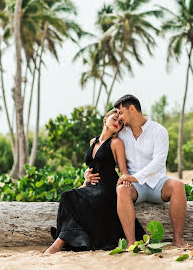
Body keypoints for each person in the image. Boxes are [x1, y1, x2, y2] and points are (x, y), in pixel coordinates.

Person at [86, 95, 187, 247]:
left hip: (157, 183)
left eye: (120, 112)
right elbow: (100, 154)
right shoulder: (120, 133)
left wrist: (135, 177)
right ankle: (132, 243)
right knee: (121, 189)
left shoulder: (158, 131)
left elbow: (159, 162)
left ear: (132, 109)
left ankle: (178, 240)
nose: (119, 117)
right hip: (134, 188)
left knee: (178, 186)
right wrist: (86, 173)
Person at [44, 109, 144, 254]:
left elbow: (123, 170)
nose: (117, 123)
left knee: (88, 201)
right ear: (105, 119)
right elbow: (92, 167)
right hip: (91, 186)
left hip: (108, 187)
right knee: (67, 196)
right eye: (115, 119)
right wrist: (86, 179)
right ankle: (65, 238)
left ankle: (60, 242)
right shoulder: (93, 141)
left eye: (121, 122)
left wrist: (125, 183)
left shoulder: (116, 143)